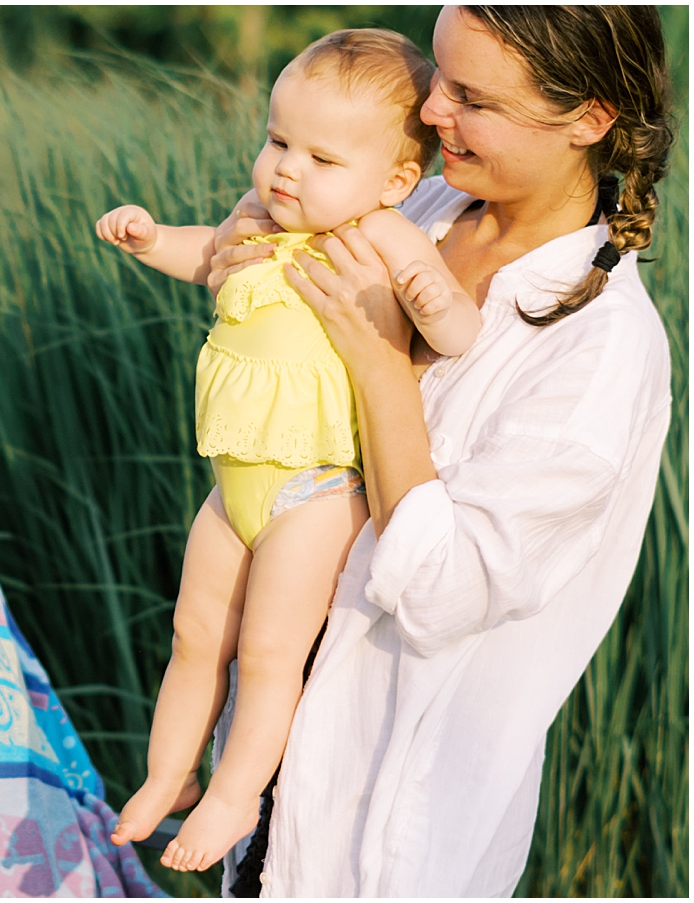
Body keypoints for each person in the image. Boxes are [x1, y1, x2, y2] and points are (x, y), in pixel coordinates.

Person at [205, 6, 673, 895]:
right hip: (272, 778)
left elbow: (438, 591)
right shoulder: (426, 200)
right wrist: (243, 225)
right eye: (437, 81)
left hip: (380, 834)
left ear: (588, 118)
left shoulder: (601, 352)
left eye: (470, 97)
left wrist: (379, 357)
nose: (428, 113)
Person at [94, 29, 480, 872]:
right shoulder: (263, 219)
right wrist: (147, 235)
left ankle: (234, 796)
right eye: (278, 141)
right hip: (231, 481)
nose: (286, 169)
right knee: (194, 633)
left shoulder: (382, 238)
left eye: (321, 158)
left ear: (393, 182)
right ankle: (167, 775)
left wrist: (428, 296)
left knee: (269, 652)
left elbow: (457, 329)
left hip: (315, 490)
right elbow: (206, 257)